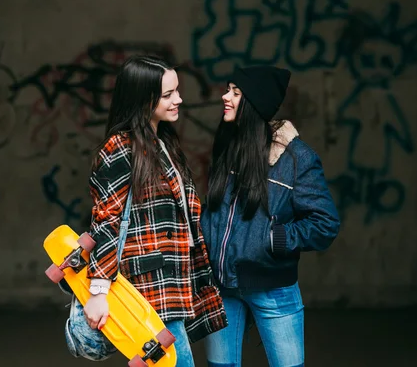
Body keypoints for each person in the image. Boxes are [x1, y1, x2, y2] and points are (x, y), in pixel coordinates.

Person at [82, 55, 227, 367]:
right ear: (143, 99)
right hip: (149, 283)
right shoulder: (121, 148)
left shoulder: (162, 142)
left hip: (173, 279)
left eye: (177, 91)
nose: (179, 100)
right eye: (168, 95)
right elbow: (107, 220)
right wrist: (98, 290)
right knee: (177, 362)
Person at [201, 66, 340, 367]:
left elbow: (325, 223)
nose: (225, 97)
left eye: (236, 93)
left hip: (273, 290)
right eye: (228, 89)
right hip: (222, 288)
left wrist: (273, 238)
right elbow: (215, 212)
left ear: (254, 104)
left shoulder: (296, 158)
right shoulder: (228, 145)